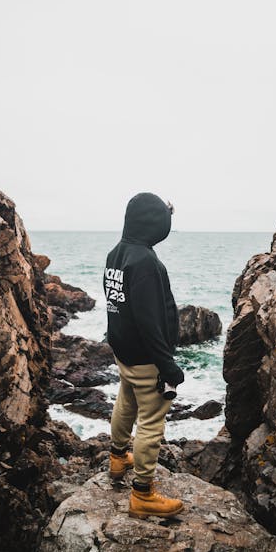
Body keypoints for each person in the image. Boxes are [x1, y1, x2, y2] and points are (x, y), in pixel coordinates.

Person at [103, 192, 185, 519]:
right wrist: (168, 366)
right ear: (155, 224)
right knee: (151, 420)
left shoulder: (116, 254)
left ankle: (118, 456)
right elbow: (149, 322)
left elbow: (115, 306)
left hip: (124, 352)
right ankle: (143, 493)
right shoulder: (146, 263)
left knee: (126, 402)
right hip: (147, 358)